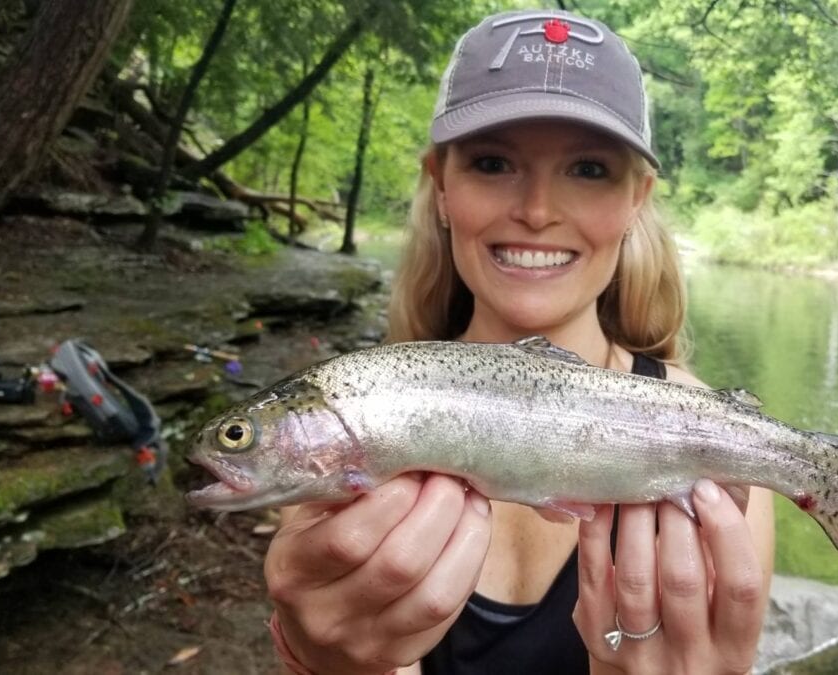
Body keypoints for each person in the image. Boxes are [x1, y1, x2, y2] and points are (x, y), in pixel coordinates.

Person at [263, 9, 776, 675]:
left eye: (587, 169)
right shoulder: (362, 423)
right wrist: (329, 664)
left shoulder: (726, 448)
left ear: (637, 199)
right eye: (493, 162)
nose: (537, 210)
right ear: (441, 185)